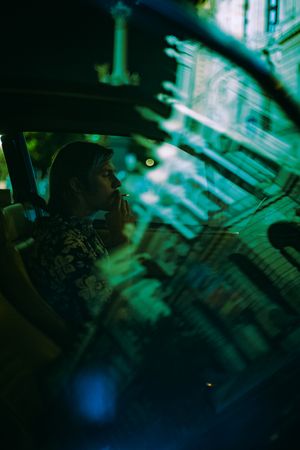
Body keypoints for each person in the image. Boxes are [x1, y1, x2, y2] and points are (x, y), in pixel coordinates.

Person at [27, 141, 133, 334]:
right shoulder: (63, 243)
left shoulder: (79, 229)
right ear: (76, 185)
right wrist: (119, 239)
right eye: (106, 174)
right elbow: (111, 318)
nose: (117, 183)